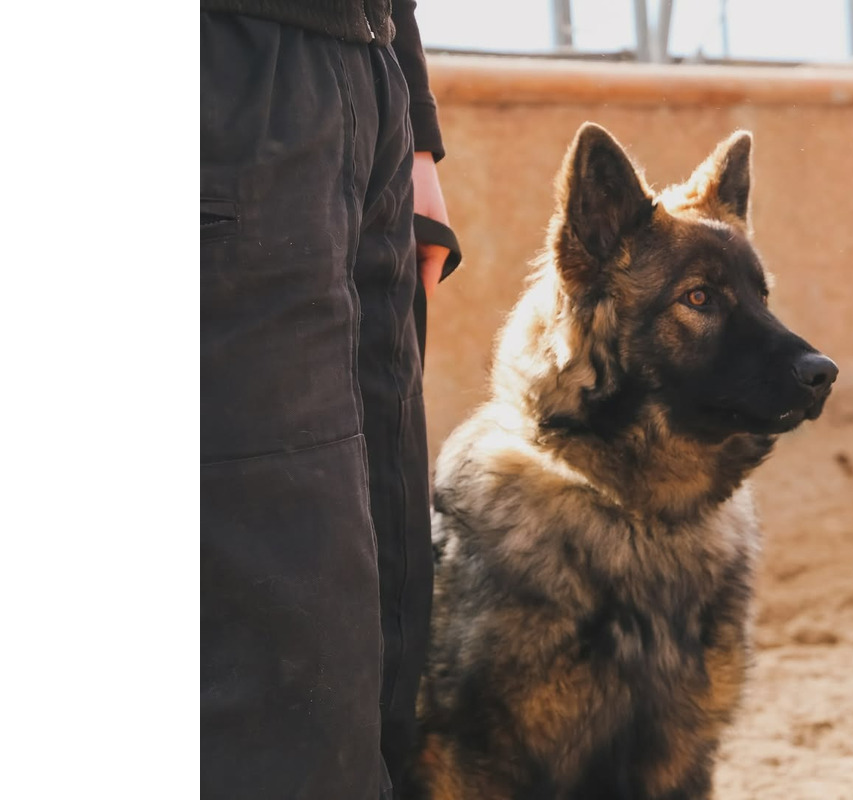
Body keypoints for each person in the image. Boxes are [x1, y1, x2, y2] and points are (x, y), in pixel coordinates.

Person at [200, 2, 452, 797]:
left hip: (359, 77)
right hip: (225, 73)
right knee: (271, 619)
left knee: (387, 573)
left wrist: (413, 127)